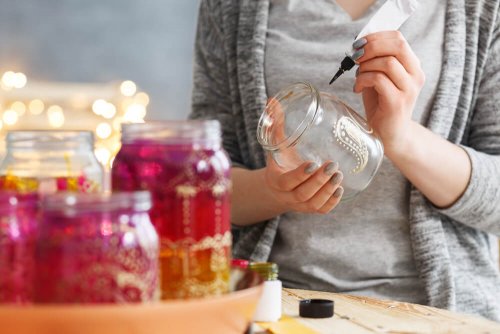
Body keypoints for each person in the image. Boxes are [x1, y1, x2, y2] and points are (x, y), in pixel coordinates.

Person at [189, 0, 500, 321]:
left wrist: (402, 138)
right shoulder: (231, 7)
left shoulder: (480, 9)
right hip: (274, 309)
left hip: (434, 315)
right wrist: (272, 190)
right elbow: (199, 190)